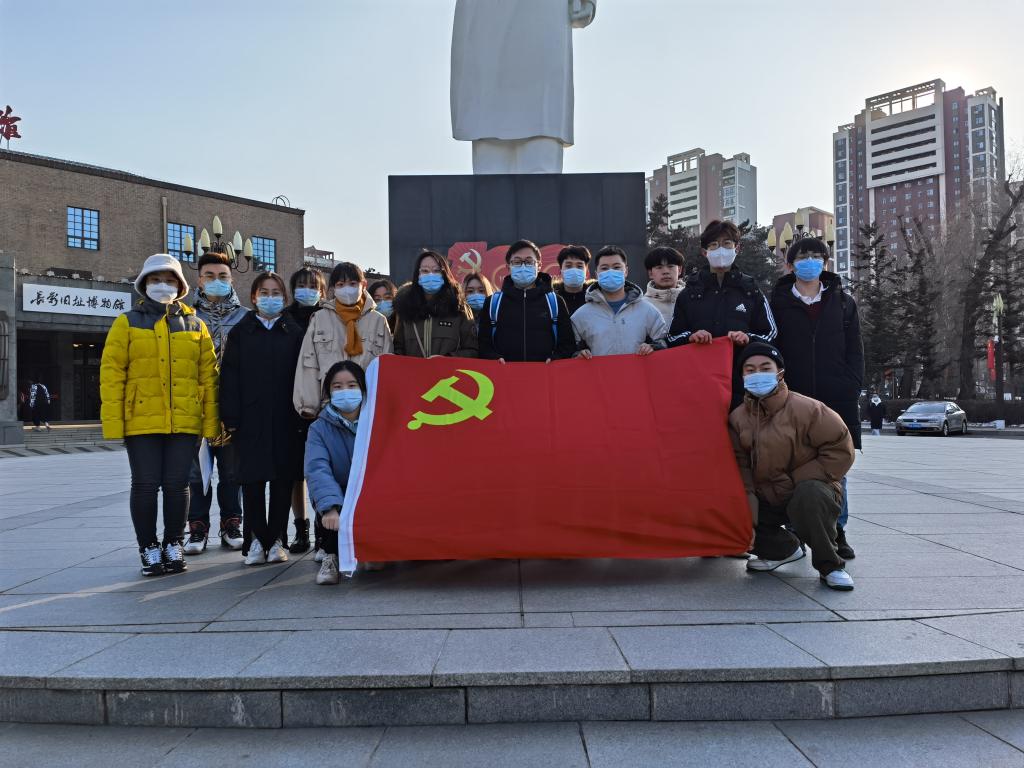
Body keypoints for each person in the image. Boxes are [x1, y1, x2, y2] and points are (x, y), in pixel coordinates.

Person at [100, 254, 219, 577]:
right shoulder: (127, 322)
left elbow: (208, 378)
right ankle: (148, 547)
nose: (162, 285)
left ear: (180, 286)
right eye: (155, 280)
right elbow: (112, 375)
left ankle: (173, 543)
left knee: (178, 485)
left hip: (185, 420)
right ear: (144, 284)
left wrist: (210, 423)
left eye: (169, 280)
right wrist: (114, 423)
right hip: (141, 421)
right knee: (145, 485)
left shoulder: (196, 325)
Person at [729, 342, 856, 591]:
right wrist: (747, 517)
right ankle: (783, 550)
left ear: (780, 373)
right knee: (731, 512)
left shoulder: (808, 409)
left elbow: (840, 449)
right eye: (750, 370)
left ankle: (830, 565)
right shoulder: (738, 418)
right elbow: (742, 468)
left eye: (765, 368)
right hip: (768, 496)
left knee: (810, 494)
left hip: (807, 490)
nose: (757, 374)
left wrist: (794, 480)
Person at [770, 236, 864, 560]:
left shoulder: (843, 302)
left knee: (836, 465)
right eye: (802, 256)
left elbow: (855, 350)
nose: (809, 262)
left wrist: (851, 385)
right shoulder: (776, 303)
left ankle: (836, 529)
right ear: (789, 264)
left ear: (826, 262)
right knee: (792, 463)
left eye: (816, 256)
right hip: (792, 397)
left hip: (835, 397)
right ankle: (796, 527)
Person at [221, 272, 306, 566]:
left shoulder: (294, 332)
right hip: (250, 418)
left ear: (284, 298)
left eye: (276, 293)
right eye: (264, 292)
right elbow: (229, 377)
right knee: (252, 481)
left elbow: (302, 376)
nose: (270, 298)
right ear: (254, 297)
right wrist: (231, 416)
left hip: (286, 418)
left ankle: (277, 539)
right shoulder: (241, 332)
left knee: (282, 481)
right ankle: (256, 539)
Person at [667, 219, 778, 408]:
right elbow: (672, 336)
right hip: (700, 384)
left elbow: (770, 334)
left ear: (737, 248)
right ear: (705, 252)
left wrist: (748, 338)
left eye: (727, 244)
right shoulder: (689, 292)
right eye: (714, 245)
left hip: (743, 385)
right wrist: (691, 337)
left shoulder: (751, 290)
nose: (720, 250)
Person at [183, 250, 249, 555]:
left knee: (232, 471)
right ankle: (197, 528)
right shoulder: (186, 316)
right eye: (209, 275)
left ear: (231, 279)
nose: (216, 281)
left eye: (223, 276)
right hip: (197, 408)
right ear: (199, 280)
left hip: (232, 407)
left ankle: (231, 524)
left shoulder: (245, 317)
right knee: (197, 472)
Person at [293, 261, 393, 417]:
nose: (347, 289)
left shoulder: (378, 321)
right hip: (328, 405)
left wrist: (383, 406)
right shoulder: (319, 318)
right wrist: (308, 404)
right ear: (333, 288)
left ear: (363, 284)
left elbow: (387, 367)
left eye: (352, 284)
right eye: (340, 284)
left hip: (368, 409)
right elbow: (308, 363)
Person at [304, 360, 366, 585]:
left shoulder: (376, 420)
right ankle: (330, 556)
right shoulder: (319, 428)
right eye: (337, 387)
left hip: (371, 491)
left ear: (363, 388)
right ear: (328, 392)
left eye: (352, 385)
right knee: (331, 502)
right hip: (340, 492)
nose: (345, 391)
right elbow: (317, 469)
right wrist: (330, 507)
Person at [282, 266, 329, 555]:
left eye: (313, 286)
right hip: (291, 403)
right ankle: (301, 527)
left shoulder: (327, 317)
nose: (307, 290)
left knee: (321, 470)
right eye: (302, 285)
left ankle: (325, 529)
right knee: (294, 473)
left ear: (322, 290)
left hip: (321, 403)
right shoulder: (283, 319)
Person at [477, 239, 576, 362]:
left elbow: (568, 344)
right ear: (508, 267)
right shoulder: (493, 303)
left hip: (545, 372)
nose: (523, 266)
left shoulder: (555, 302)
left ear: (539, 266)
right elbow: (483, 344)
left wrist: (555, 358)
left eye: (529, 262)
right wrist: (494, 358)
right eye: (517, 262)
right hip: (504, 372)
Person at [572, 245, 667, 358]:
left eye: (616, 267)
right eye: (604, 268)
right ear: (597, 274)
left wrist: (653, 347)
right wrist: (578, 355)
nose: (610, 272)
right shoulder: (581, 316)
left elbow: (664, 343)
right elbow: (570, 351)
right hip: (599, 370)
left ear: (626, 271)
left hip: (637, 370)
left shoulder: (648, 311)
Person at [393, 250, 478, 358]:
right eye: (425, 271)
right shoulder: (405, 307)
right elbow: (398, 348)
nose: (430, 275)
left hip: (449, 369)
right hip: (413, 369)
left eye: (436, 270)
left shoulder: (459, 307)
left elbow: (472, 350)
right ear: (417, 275)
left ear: (444, 274)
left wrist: (448, 359)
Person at [644, 246, 685, 327]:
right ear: (650, 273)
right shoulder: (642, 305)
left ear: (679, 270)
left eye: (670, 266)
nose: (665, 272)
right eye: (659, 267)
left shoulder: (692, 300)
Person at [553, 244, 592, 316]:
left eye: (579, 266)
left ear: (586, 269)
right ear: (561, 269)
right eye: (568, 266)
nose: (574, 270)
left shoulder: (595, 297)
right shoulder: (552, 298)